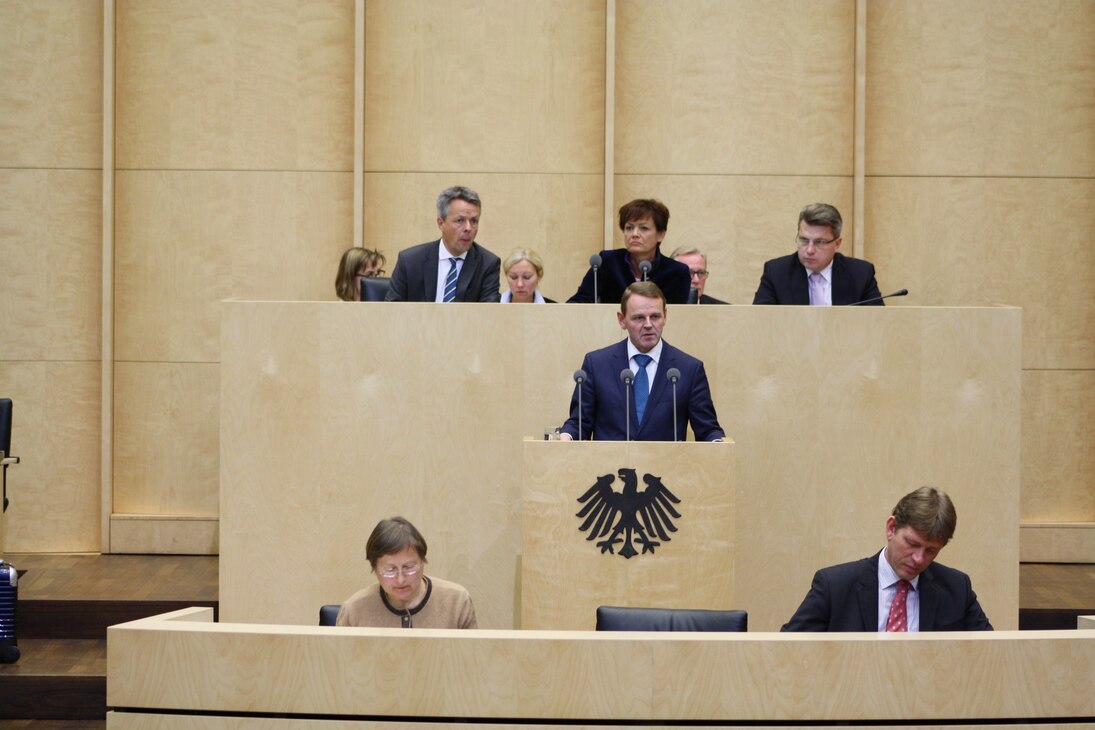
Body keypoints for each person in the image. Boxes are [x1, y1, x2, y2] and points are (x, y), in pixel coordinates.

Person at [781, 486, 992, 632]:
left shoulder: (956, 589)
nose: (919, 559)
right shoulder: (835, 586)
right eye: (912, 543)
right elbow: (787, 650)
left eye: (931, 551)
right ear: (891, 529)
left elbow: (991, 653)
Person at [559, 281, 724, 442]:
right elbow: (580, 423)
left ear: (665, 316)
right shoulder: (596, 364)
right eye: (639, 318)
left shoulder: (688, 369)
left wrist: (717, 443)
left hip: (666, 467)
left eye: (655, 317)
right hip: (610, 467)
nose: (648, 325)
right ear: (622, 320)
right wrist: (567, 436)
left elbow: (708, 429)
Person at [336, 516, 478, 629]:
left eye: (409, 567)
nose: (400, 579)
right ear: (375, 570)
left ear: (422, 562)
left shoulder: (457, 602)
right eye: (390, 570)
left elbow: (473, 662)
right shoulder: (354, 611)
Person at [385, 186, 501, 302]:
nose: (468, 228)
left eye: (474, 221)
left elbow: (489, 315)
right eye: (459, 220)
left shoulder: (487, 264)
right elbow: (393, 312)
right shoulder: (410, 261)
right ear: (441, 223)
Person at [752, 203, 883, 306]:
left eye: (819, 242)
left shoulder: (860, 274)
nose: (809, 250)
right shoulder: (776, 272)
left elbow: (877, 323)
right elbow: (760, 324)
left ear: (837, 244)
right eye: (804, 240)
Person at [567, 199, 691, 305]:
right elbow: (579, 302)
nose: (634, 234)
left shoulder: (676, 272)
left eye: (644, 228)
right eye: (629, 228)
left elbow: (677, 317)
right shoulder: (607, 262)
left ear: (660, 235)